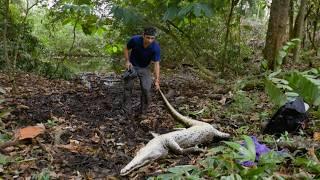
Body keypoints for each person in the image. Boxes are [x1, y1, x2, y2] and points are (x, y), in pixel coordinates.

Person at [122, 27, 161, 118]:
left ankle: (143, 112)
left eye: (152, 38)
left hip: (144, 68)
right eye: (148, 37)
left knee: (146, 89)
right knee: (128, 87)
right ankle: (126, 110)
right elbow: (126, 49)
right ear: (143, 35)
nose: (150, 40)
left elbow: (156, 64)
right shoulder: (135, 40)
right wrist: (127, 61)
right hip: (132, 66)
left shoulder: (156, 47)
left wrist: (157, 80)